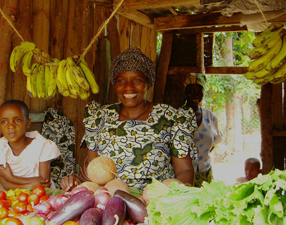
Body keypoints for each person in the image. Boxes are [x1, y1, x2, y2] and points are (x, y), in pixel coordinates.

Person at [61, 47, 197, 191]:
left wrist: (175, 192)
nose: (128, 87)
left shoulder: (170, 117)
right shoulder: (99, 117)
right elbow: (92, 168)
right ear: (115, 85)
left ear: (148, 84)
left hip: (155, 202)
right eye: (121, 81)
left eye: (137, 80)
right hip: (110, 201)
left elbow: (184, 171)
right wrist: (76, 180)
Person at [0, 100, 61, 190]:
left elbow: (45, 182)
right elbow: (5, 183)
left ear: (28, 123)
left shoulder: (41, 146)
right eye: (4, 122)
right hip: (14, 195)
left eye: (17, 120)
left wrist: (11, 178)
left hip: (43, 195)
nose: (10, 126)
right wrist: (29, 186)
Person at [183, 73, 223, 188]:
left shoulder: (211, 117)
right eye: (191, 91)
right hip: (184, 174)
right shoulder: (177, 116)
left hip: (206, 172)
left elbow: (214, 143)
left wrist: (202, 156)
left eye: (199, 92)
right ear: (185, 93)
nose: (196, 95)